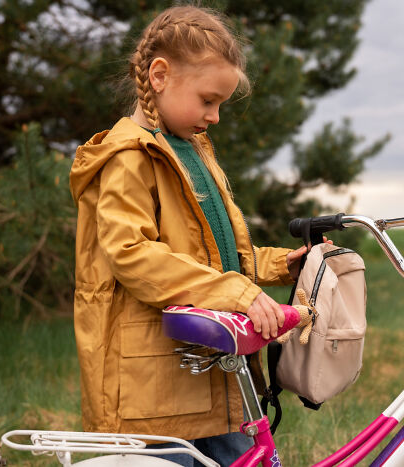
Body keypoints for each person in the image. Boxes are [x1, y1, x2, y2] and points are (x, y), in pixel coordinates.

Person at [68, 5, 313, 465]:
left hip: (211, 375)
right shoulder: (129, 157)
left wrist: (282, 265)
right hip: (153, 394)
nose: (215, 116)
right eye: (208, 100)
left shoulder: (192, 150)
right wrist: (234, 291)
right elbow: (133, 254)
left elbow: (216, 261)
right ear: (159, 75)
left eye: (220, 103)